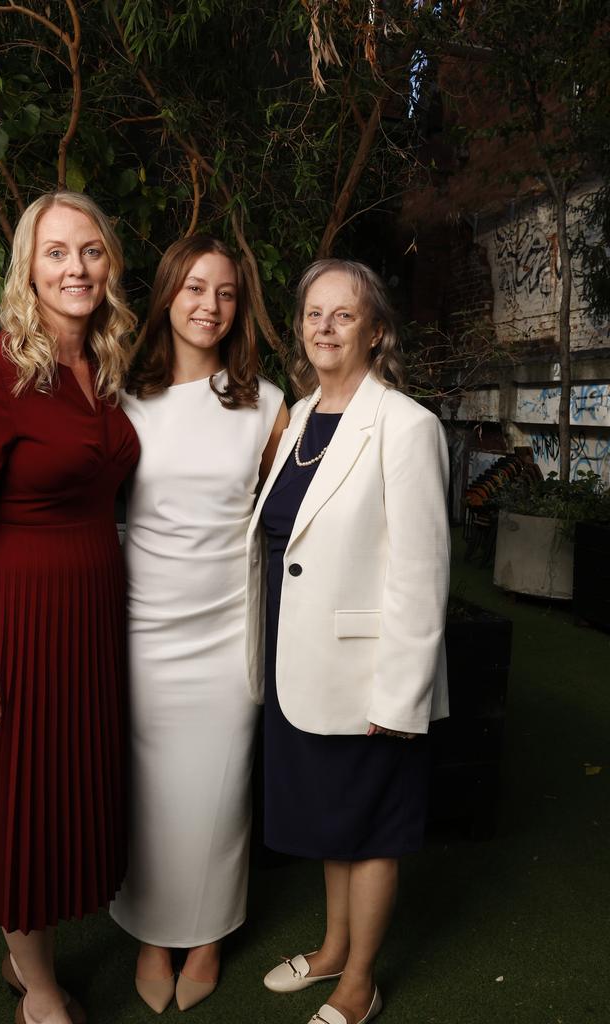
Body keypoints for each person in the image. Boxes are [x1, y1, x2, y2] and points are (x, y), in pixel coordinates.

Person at [0, 191, 139, 1024]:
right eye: (56, 252)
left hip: (90, 617)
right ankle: (38, 983)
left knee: (63, 793)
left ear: (109, 265)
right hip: (21, 619)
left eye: (90, 251)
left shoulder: (109, 366)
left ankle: (33, 961)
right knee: (21, 796)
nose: (75, 268)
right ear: (28, 267)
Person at [245, 259, 450, 1024]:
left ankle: (358, 981)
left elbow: (422, 570)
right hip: (300, 663)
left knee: (368, 830)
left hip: (370, 673)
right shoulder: (299, 417)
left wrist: (401, 694)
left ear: (377, 331)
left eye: (344, 315)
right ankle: (332, 948)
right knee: (335, 819)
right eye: (313, 314)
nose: (325, 327)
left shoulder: (406, 424)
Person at [109, 235, 288, 1013]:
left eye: (224, 292)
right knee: (150, 787)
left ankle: (209, 934)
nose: (208, 305)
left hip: (227, 626)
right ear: (167, 296)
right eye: (193, 288)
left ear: (239, 306)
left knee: (218, 790)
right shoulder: (122, 395)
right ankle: (153, 932)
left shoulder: (268, 404)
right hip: (142, 621)